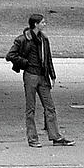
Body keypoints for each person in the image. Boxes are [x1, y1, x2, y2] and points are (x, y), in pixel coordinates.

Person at [6, 13, 74, 148]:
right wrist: (25, 63)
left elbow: (48, 59)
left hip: (43, 77)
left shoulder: (44, 39)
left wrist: (52, 75)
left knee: (50, 107)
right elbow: (10, 55)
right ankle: (32, 139)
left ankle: (56, 137)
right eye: (42, 22)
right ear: (35, 24)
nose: (45, 24)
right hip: (30, 76)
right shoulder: (23, 39)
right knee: (30, 109)